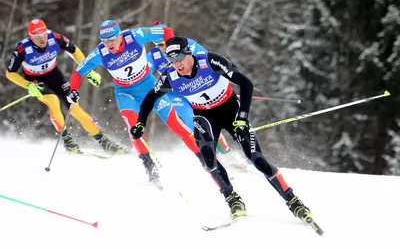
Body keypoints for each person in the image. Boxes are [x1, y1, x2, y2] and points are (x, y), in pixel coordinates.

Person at [131, 36, 313, 221]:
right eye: (171, 60)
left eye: (178, 58)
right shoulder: (171, 76)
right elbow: (150, 98)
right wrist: (140, 122)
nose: (176, 64)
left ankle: (293, 201)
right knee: (208, 161)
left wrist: (242, 116)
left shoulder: (209, 61)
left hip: (231, 111)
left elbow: (245, 84)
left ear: (188, 54)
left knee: (257, 159)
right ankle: (233, 199)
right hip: (205, 117)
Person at [67, 20, 203, 187]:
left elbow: (166, 31)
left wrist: (170, 52)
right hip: (125, 93)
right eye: (105, 40)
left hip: (149, 86)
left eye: (112, 39)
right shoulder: (100, 53)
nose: (109, 44)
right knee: (134, 128)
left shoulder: (135, 35)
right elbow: (77, 73)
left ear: (120, 36)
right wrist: (73, 90)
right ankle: (149, 166)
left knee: (176, 124)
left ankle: (204, 158)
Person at [5, 19, 125, 154]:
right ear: (30, 36)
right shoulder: (23, 49)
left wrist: (88, 70)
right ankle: (67, 140)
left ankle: (104, 141)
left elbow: (74, 50)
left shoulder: (55, 38)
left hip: (54, 75)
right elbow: (10, 73)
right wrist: (28, 86)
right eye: (37, 37)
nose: (42, 39)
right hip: (35, 81)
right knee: (53, 101)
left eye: (44, 34)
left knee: (74, 108)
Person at [147, 21, 231, 155]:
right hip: (175, 94)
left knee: (208, 119)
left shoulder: (188, 45)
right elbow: (143, 72)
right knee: (191, 118)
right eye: (158, 45)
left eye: (164, 43)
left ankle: (226, 151)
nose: (162, 48)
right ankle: (213, 153)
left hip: (194, 89)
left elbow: (207, 60)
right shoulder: (154, 55)